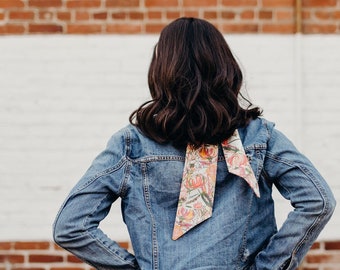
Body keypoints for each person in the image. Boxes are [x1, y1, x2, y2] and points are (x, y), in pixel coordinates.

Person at [53, 17, 336, 270]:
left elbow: (71, 226)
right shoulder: (259, 137)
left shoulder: (132, 145)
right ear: (225, 68)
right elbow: (318, 201)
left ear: (161, 71)